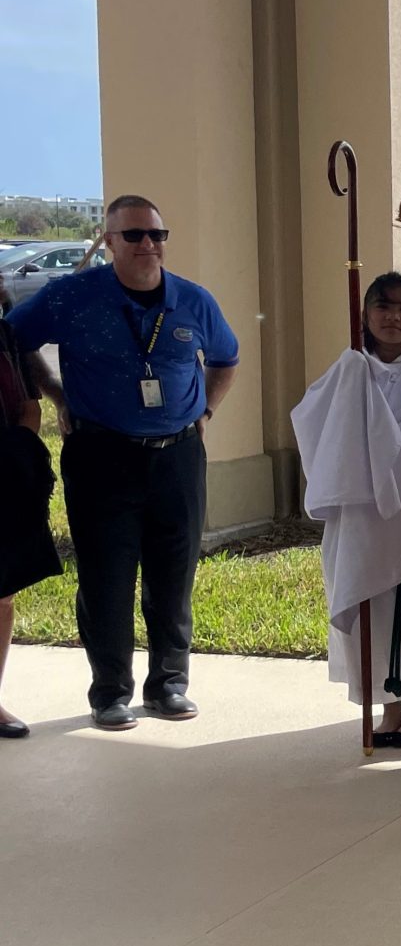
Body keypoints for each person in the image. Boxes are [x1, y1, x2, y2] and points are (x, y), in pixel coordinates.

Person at [5, 196, 238, 728]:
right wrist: (56, 395)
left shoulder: (193, 301)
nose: (147, 245)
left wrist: (206, 411)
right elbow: (14, 340)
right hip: (100, 455)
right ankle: (109, 691)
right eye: (133, 235)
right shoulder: (71, 296)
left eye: (156, 235)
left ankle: (168, 685)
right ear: (108, 242)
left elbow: (227, 359)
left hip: (177, 456)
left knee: (173, 574)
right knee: (107, 578)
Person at [291, 273, 401, 747]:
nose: (394, 317)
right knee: (374, 610)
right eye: (383, 307)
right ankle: (387, 704)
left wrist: (377, 459)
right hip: (363, 514)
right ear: (365, 314)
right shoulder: (350, 370)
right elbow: (315, 425)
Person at [0, 278, 63, 737]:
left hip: (5, 473)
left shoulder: (5, 335)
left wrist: (22, 441)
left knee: (2, 593)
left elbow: (28, 405)